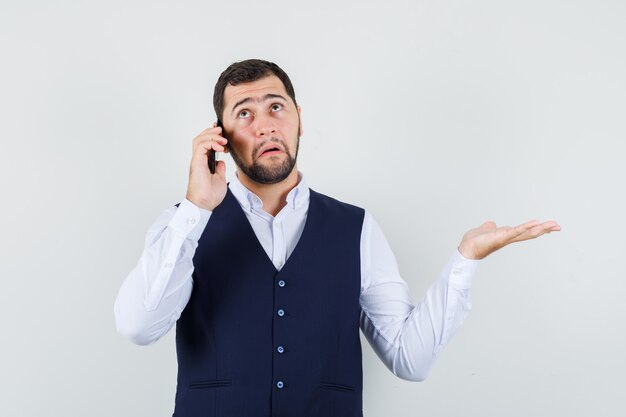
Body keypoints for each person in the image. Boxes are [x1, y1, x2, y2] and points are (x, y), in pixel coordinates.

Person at [114, 59, 560, 417]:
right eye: (244, 113)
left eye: (276, 107)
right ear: (221, 137)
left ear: (299, 120)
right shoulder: (182, 225)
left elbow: (410, 358)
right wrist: (195, 209)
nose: (265, 125)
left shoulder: (357, 228)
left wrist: (466, 258)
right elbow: (137, 327)